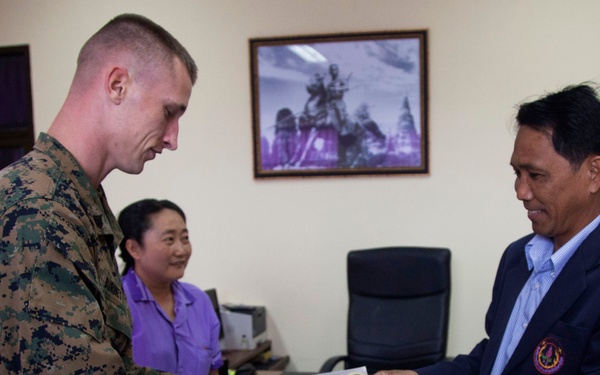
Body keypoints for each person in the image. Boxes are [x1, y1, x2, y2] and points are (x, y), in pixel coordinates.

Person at [0, 13, 197, 374]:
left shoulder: (77, 200)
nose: (172, 138)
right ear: (117, 84)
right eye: (168, 112)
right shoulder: (39, 210)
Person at [376, 83, 600, 375]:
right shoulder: (517, 257)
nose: (521, 191)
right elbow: (494, 358)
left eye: (536, 175)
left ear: (593, 174)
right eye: (517, 173)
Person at [118, 199, 223, 375]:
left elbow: (213, 369)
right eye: (169, 239)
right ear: (134, 248)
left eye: (185, 238)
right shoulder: (115, 304)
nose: (181, 250)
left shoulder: (199, 301)